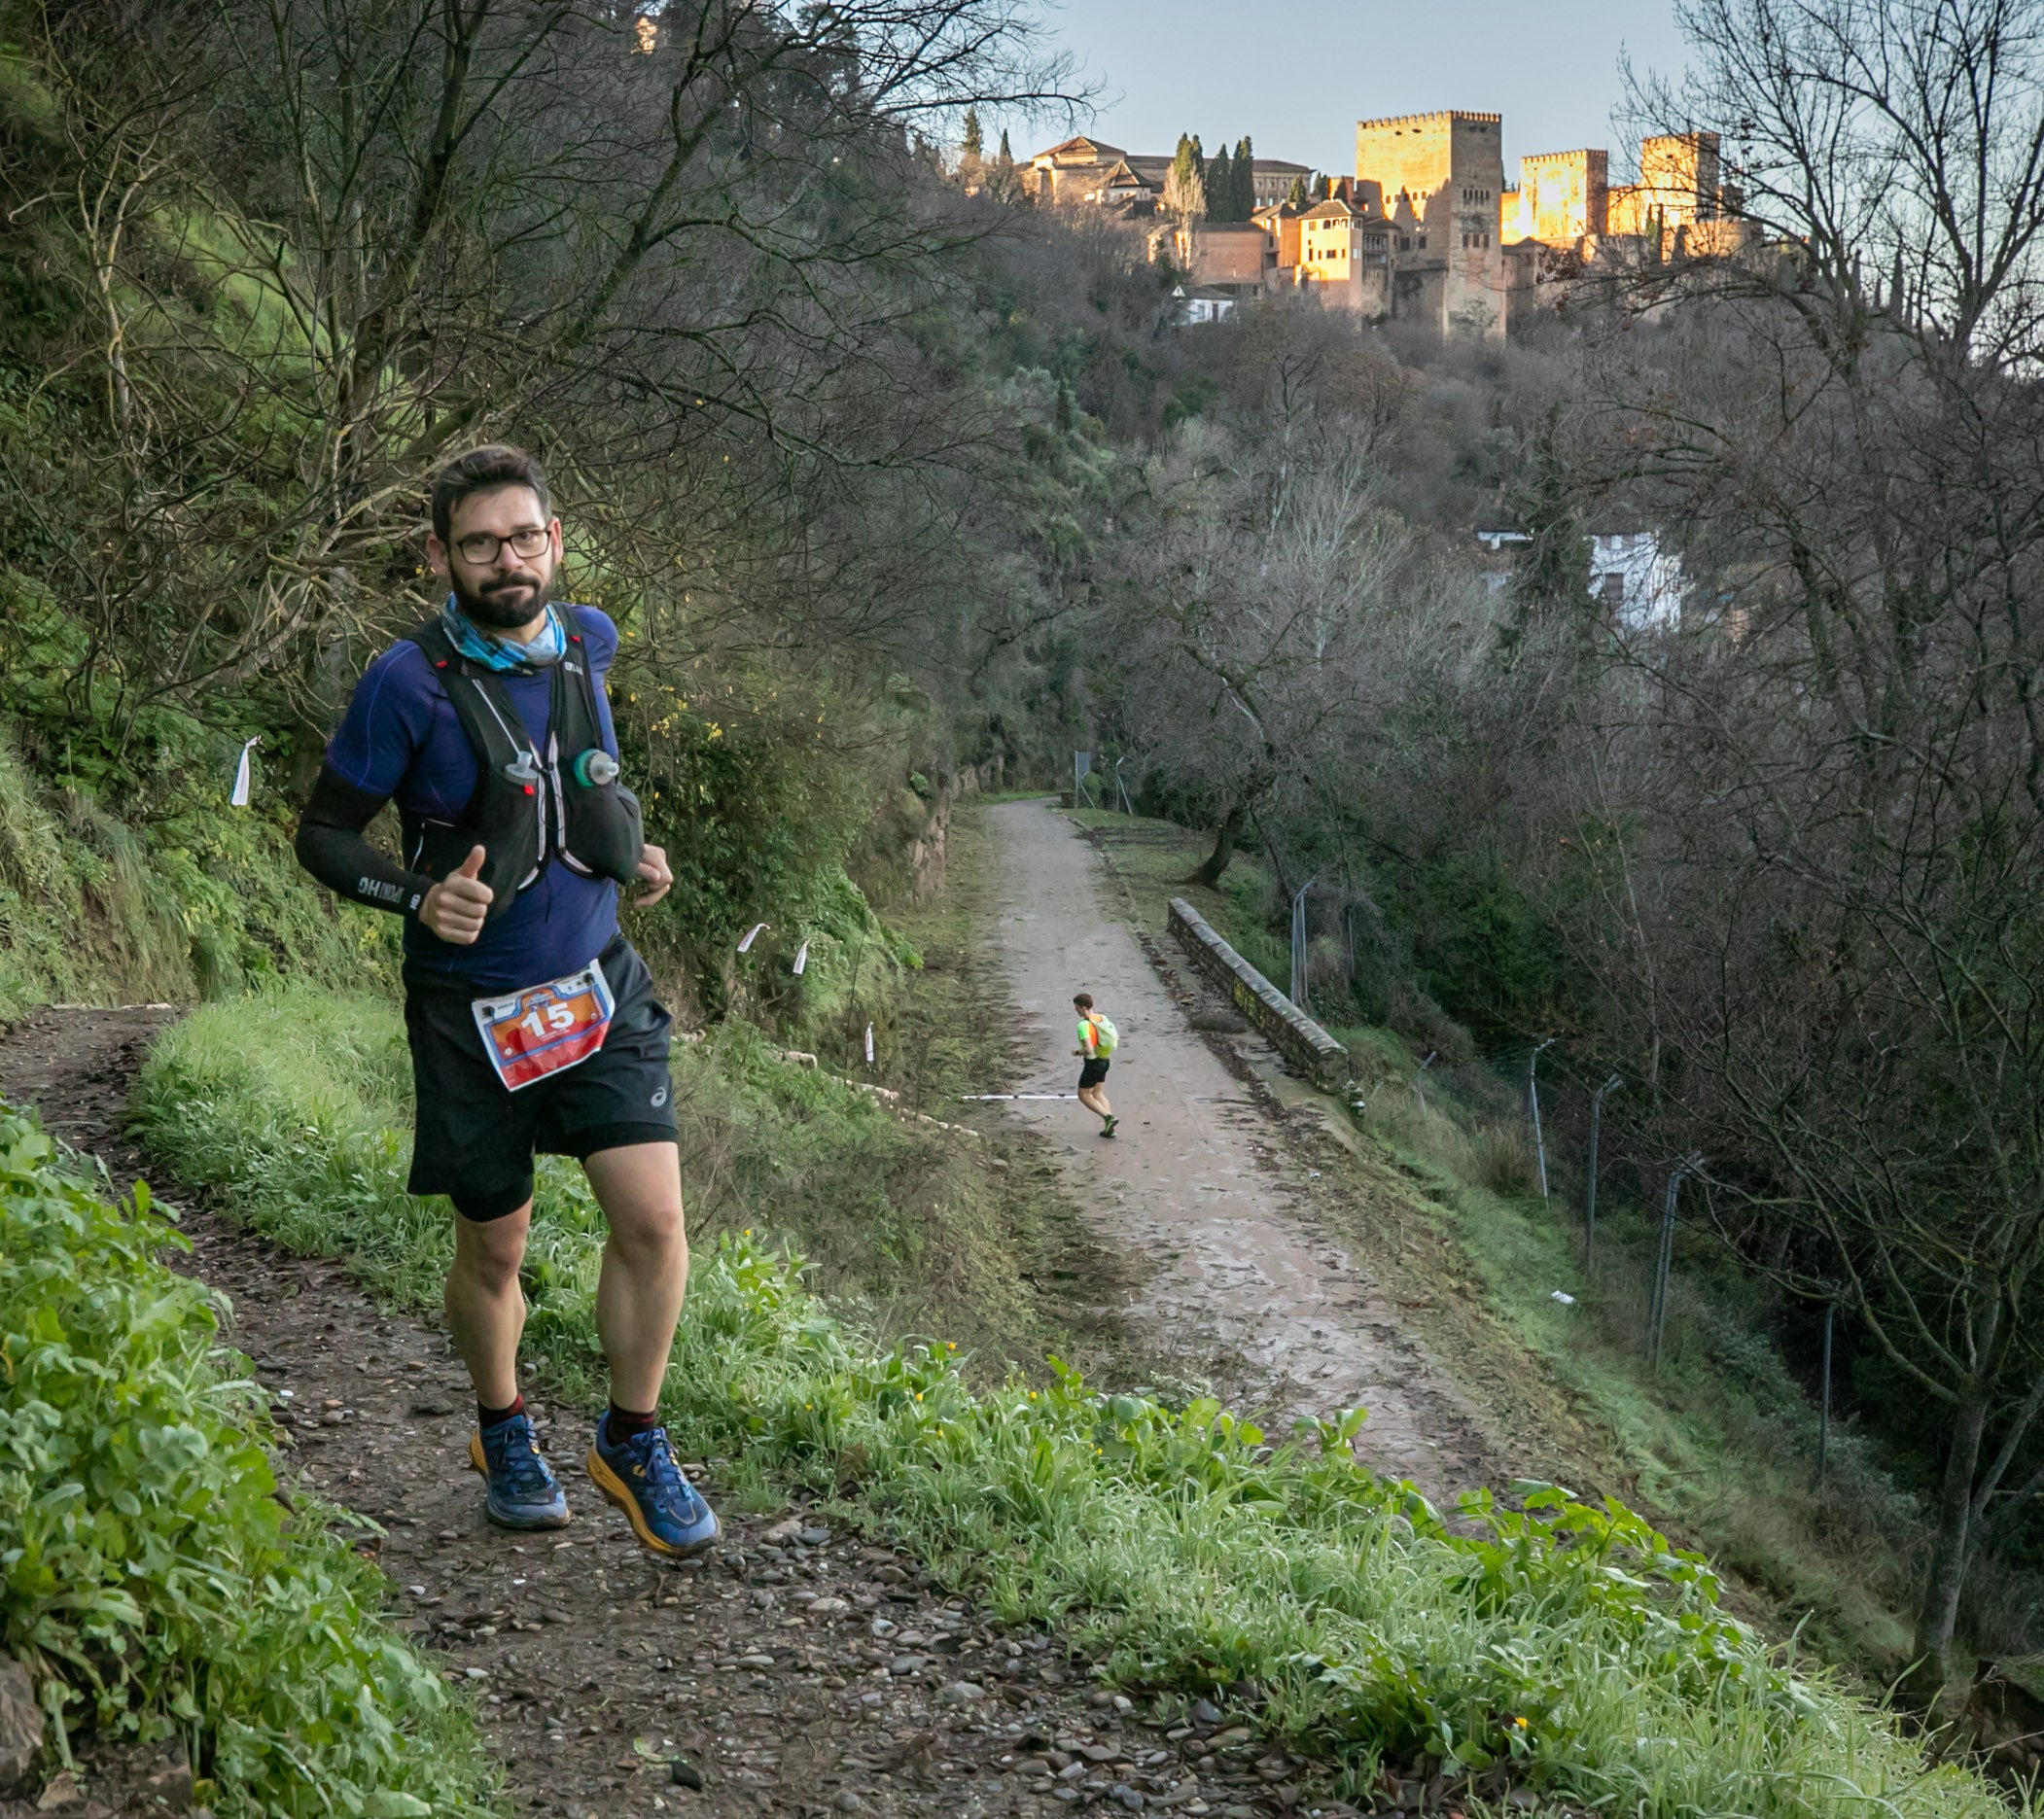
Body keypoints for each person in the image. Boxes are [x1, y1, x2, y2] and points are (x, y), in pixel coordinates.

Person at [294, 443, 718, 1557]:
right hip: (470, 1014)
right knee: (496, 1249)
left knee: (655, 1220)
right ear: (440, 554)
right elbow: (323, 833)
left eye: (524, 536)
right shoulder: (405, 682)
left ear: (555, 540)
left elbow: (578, 769)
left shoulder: (589, 639)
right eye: (479, 542)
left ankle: (632, 1436)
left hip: (596, 984)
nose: (506, 560)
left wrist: (626, 849)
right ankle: (503, 1422)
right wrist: (416, 895)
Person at [1072, 992, 1118, 1137]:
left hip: (1093, 1063)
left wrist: (1077, 1053)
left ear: (1083, 1007)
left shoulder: (1083, 1025)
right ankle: (1110, 1128)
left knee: (1083, 1094)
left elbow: (1088, 1049)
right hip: (1105, 1061)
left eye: (1077, 1007)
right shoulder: (1102, 1018)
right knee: (1097, 1093)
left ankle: (1108, 1117)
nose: (1076, 1010)